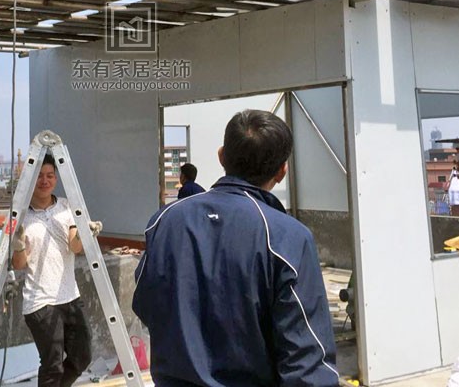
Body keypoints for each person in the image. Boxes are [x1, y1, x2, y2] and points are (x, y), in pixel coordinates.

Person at [133, 109, 339, 387]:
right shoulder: (287, 237)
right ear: (282, 171)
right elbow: (307, 358)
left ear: (221, 156)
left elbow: (146, 302)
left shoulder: (165, 221)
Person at [11, 154, 95, 387]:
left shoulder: (66, 207)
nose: (44, 181)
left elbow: (74, 247)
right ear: (31, 181)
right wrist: (18, 245)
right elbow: (18, 264)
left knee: (82, 355)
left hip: (69, 296)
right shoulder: (21, 216)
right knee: (52, 364)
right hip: (40, 302)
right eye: (39, 176)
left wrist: (84, 234)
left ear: (56, 179)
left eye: (49, 176)